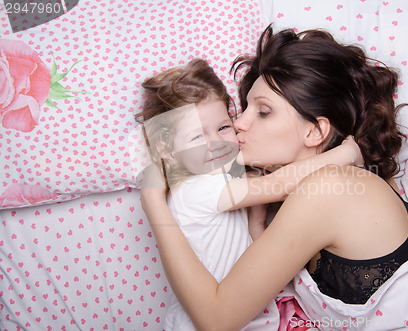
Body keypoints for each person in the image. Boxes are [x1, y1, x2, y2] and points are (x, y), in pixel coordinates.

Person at [139, 27, 408, 331]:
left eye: (263, 112)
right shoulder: (317, 193)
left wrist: (154, 206)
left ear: (315, 132)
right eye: (243, 108)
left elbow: (216, 320)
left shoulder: (329, 187)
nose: (238, 124)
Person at [135, 58, 363, 330]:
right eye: (197, 137)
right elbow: (279, 184)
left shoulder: (224, 178)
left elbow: (254, 244)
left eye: (223, 128)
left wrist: (256, 221)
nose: (217, 143)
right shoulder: (197, 187)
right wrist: (345, 154)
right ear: (167, 151)